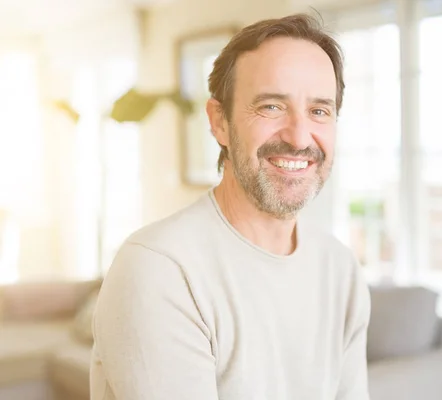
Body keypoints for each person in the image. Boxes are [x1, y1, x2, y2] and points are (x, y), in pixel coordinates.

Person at [90, 12, 371, 400]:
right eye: (272, 107)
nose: (299, 136)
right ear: (219, 121)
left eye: (319, 111)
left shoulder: (341, 270)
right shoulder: (160, 268)